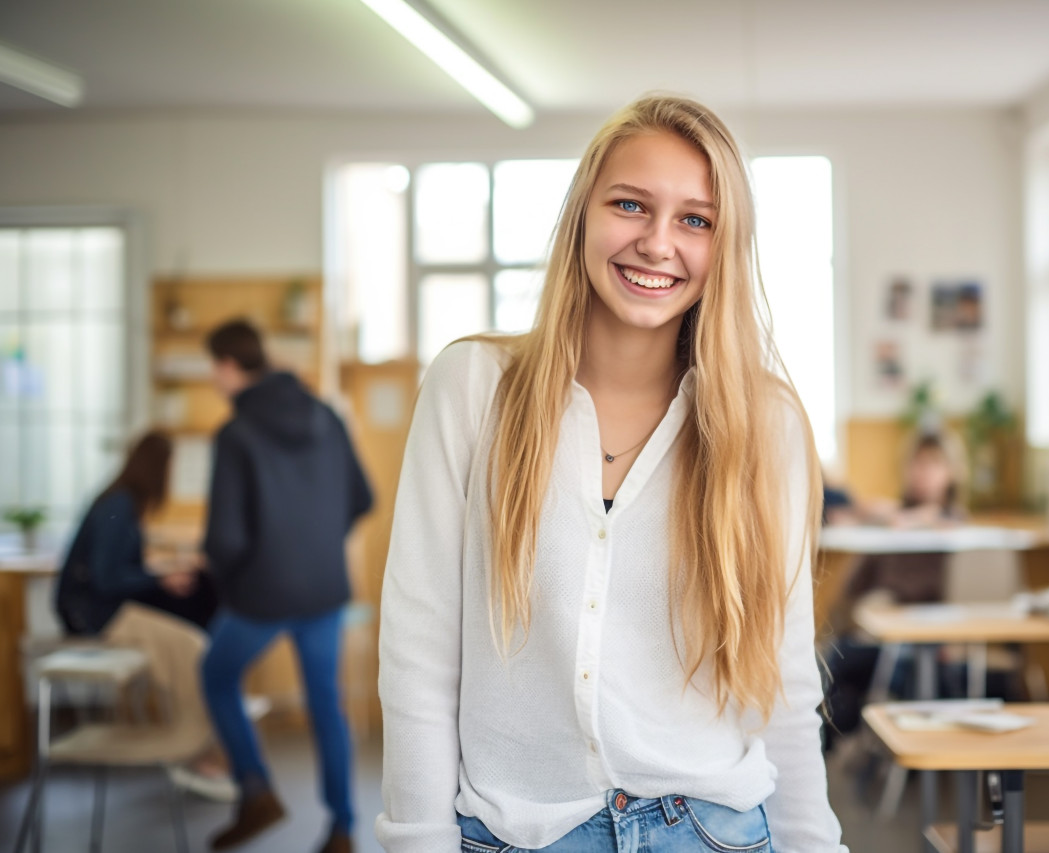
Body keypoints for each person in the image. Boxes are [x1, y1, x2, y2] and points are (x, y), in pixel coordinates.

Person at [377, 96, 847, 852]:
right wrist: (416, 839)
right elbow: (418, 651)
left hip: (714, 829)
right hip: (517, 831)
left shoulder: (767, 423)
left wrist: (815, 843)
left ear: (725, 246)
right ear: (582, 215)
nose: (658, 243)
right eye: (631, 204)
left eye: (696, 219)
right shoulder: (473, 387)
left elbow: (783, 676)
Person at [199, 320, 372, 853]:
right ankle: (342, 828)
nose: (212, 380)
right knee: (327, 706)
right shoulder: (325, 414)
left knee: (215, 674)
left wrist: (227, 583)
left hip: (262, 594)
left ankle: (254, 790)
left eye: (212, 368)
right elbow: (362, 497)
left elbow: (224, 538)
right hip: (323, 589)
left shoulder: (235, 433)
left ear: (229, 366)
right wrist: (316, 547)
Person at [55, 429, 215, 637]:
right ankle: (203, 660)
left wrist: (162, 575)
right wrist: (160, 579)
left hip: (100, 603)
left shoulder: (124, 501)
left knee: (195, 594)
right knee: (200, 599)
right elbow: (106, 579)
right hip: (91, 611)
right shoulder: (119, 505)